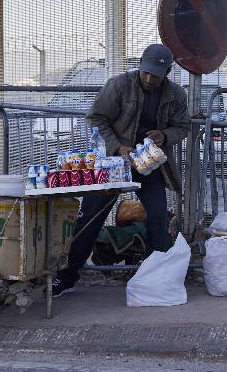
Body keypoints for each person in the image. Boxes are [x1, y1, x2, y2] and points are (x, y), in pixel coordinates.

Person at [53, 43, 190, 296]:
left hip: (149, 165)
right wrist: (117, 147)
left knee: (158, 219)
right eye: (145, 72)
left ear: (167, 73)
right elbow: (96, 118)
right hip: (113, 163)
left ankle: (155, 279)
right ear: (139, 67)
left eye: (155, 75)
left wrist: (164, 135)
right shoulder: (119, 85)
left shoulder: (176, 95)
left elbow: (182, 127)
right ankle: (66, 277)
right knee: (90, 217)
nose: (148, 79)